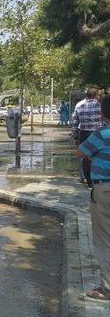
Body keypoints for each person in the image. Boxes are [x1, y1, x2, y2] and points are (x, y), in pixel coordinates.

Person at [76, 95, 110, 300]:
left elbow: (80, 153)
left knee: (104, 238)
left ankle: (106, 287)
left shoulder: (102, 134)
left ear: (104, 113)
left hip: (105, 191)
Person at [72, 88, 105, 187]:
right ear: (96, 95)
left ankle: (88, 180)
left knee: (86, 157)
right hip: (97, 134)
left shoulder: (80, 106)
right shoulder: (100, 106)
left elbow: (75, 122)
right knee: (98, 155)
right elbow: (105, 120)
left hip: (84, 134)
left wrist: (75, 135)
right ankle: (97, 178)